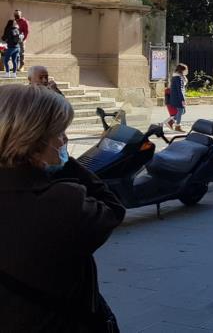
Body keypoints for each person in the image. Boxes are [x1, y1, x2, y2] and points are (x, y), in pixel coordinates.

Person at [0, 84, 126, 332]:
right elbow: (112, 209)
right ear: (34, 142)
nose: (65, 139)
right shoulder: (61, 201)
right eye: (60, 133)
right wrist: (66, 163)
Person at [168, 63, 188, 131]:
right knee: (181, 110)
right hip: (178, 97)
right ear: (182, 70)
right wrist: (182, 100)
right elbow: (180, 89)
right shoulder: (178, 78)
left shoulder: (178, 77)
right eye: (186, 70)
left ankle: (170, 121)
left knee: (183, 111)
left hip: (176, 96)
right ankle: (177, 126)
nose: (187, 71)